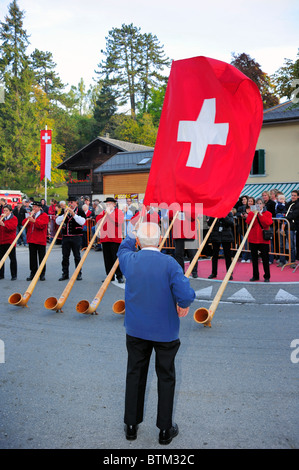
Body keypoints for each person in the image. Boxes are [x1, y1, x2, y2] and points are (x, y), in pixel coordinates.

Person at [117, 222, 195, 445]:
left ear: (139, 242)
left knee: (135, 374)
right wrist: (182, 303)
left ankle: (131, 425)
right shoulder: (169, 263)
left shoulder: (130, 260)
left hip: (136, 329)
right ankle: (164, 429)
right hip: (165, 331)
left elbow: (123, 247)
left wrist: (134, 236)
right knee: (166, 377)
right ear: (161, 240)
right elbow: (186, 294)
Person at [56, 196, 86, 281]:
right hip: (66, 237)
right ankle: (65, 274)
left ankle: (78, 274)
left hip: (76, 237)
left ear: (76, 202)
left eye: (72, 202)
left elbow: (82, 222)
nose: (70, 204)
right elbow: (57, 221)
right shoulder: (64, 211)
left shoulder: (80, 211)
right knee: (65, 257)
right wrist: (64, 215)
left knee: (77, 256)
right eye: (69, 202)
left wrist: (73, 214)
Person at [96, 197, 124, 283]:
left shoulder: (118, 212)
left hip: (115, 238)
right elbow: (98, 220)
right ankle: (109, 276)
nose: (108, 205)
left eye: (110, 204)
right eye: (107, 204)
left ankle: (119, 276)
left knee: (116, 258)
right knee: (107, 258)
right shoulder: (103, 212)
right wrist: (105, 213)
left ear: (114, 204)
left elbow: (118, 221)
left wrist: (109, 214)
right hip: (105, 238)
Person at [245, 198, 273, 282]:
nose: (259, 205)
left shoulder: (268, 213)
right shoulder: (251, 213)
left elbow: (268, 223)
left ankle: (267, 276)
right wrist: (253, 214)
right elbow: (248, 222)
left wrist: (260, 215)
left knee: (265, 258)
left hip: (263, 239)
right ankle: (255, 275)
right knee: (254, 259)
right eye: (257, 204)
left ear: (263, 205)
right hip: (253, 239)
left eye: (260, 203)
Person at [169, 207, 200, 278]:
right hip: (178, 233)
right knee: (179, 254)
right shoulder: (175, 205)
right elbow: (170, 216)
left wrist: (184, 210)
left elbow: (193, 216)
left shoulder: (191, 205)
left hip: (189, 233)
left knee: (192, 254)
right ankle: (181, 271)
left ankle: (194, 271)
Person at [22, 201, 49, 281]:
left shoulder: (44, 215)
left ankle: (42, 274)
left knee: (41, 257)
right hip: (31, 239)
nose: (34, 208)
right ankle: (33, 273)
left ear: (40, 208)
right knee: (32, 258)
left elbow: (42, 226)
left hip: (40, 240)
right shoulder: (31, 215)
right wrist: (28, 218)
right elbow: (24, 224)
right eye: (33, 207)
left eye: (36, 207)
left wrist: (34, 221)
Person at [207, 213, 234, 279]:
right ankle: (214, 273)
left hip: (226, 236)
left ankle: (229, 273)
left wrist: (223, 216)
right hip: (216, 236)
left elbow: (231, 223)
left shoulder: (229, 213)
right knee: (215, 255)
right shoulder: (215, 213)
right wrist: (214, 216)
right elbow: (209, 223)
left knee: (227, 256)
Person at [0, 204, 18, 280]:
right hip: (1, 241)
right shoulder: (1, 218)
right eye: (4, 210)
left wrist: (4, 224)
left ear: (10, 211)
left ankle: (14, 275)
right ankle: (1, 275)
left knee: (12, 258)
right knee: (1, 259)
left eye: (6, 211)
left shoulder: (14, 218)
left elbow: (12, 228)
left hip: (10, 241)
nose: (5, 212)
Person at [284, 190, 299, 267]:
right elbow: (285, 211)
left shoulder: (298, 205)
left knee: (293, 245)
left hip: (294, 227)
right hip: (287, 226)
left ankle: (293, 261)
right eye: (292, 195)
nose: (293, 196)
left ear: (298, 196)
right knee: (289, 245)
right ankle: (289, 259)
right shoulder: (289, 203)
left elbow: (294, 215)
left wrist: (285, 217)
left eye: (294, 195)